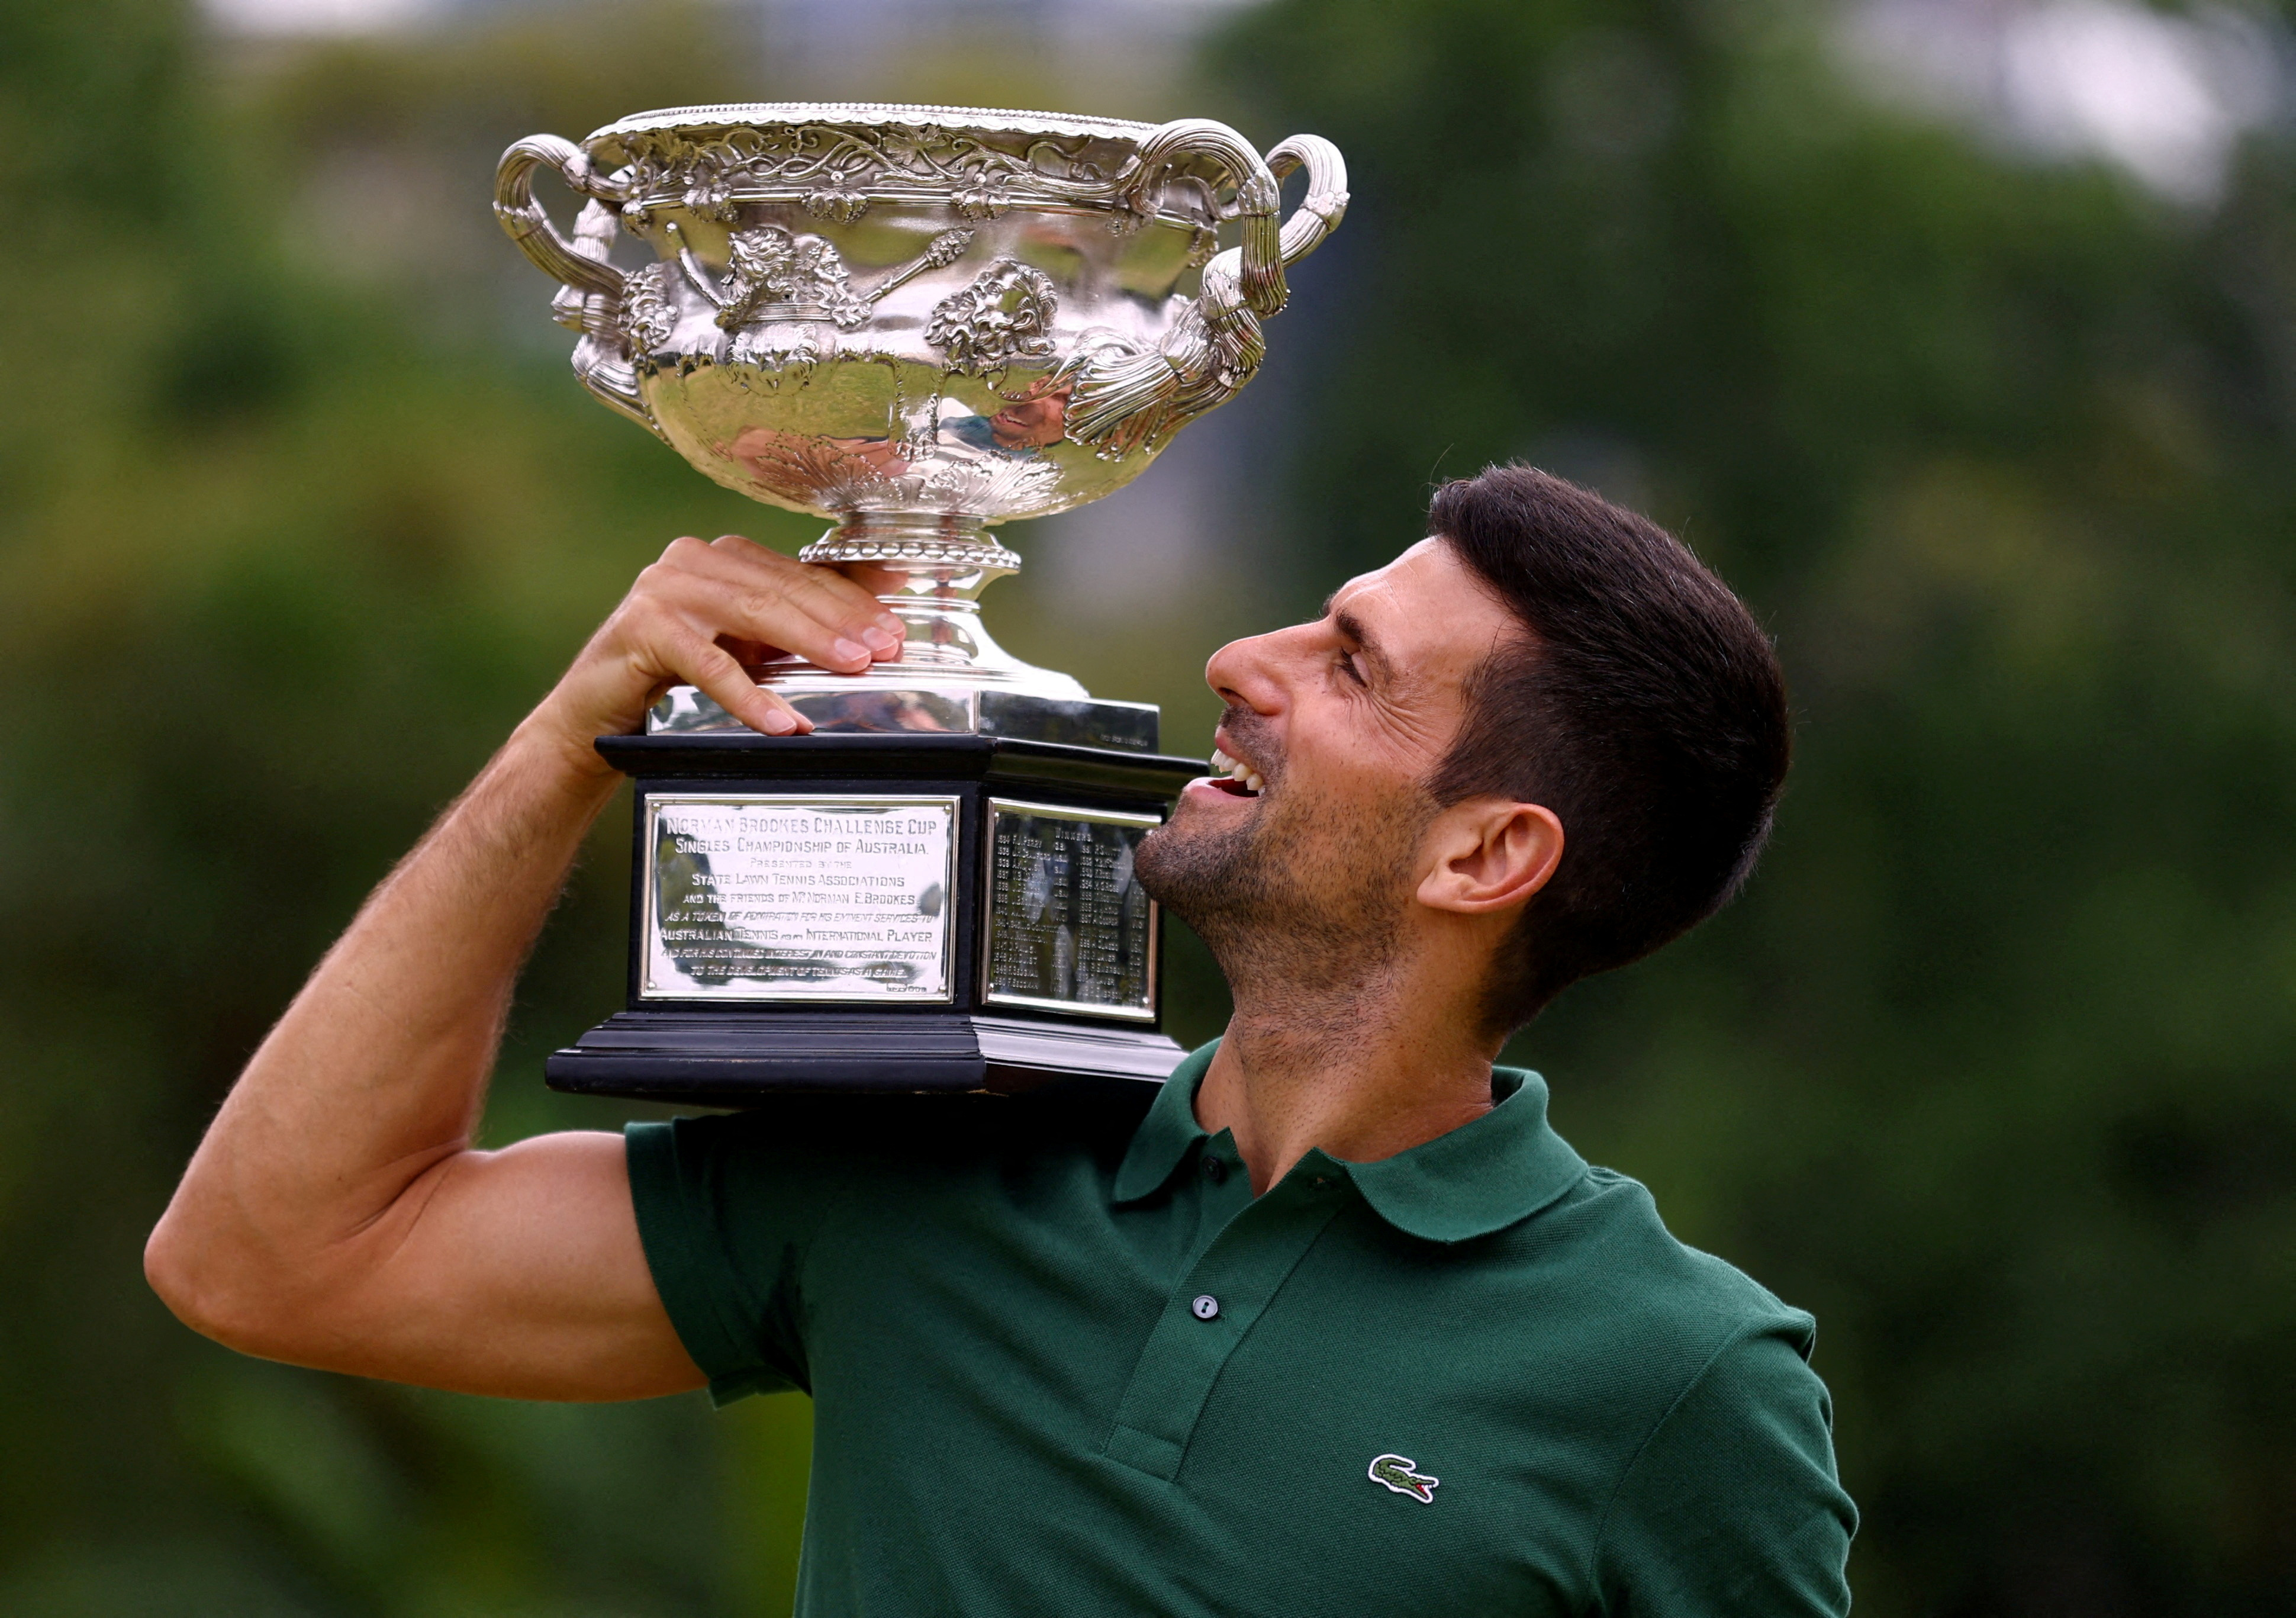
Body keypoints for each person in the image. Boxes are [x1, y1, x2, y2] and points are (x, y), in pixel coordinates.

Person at [147, 464, 1856, 1614]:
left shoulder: (1681, 1381)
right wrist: (566, 746)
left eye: (1349, 666)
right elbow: (271, 1258)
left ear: (1485, 856)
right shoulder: (931, 1154)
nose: (1239, 662)